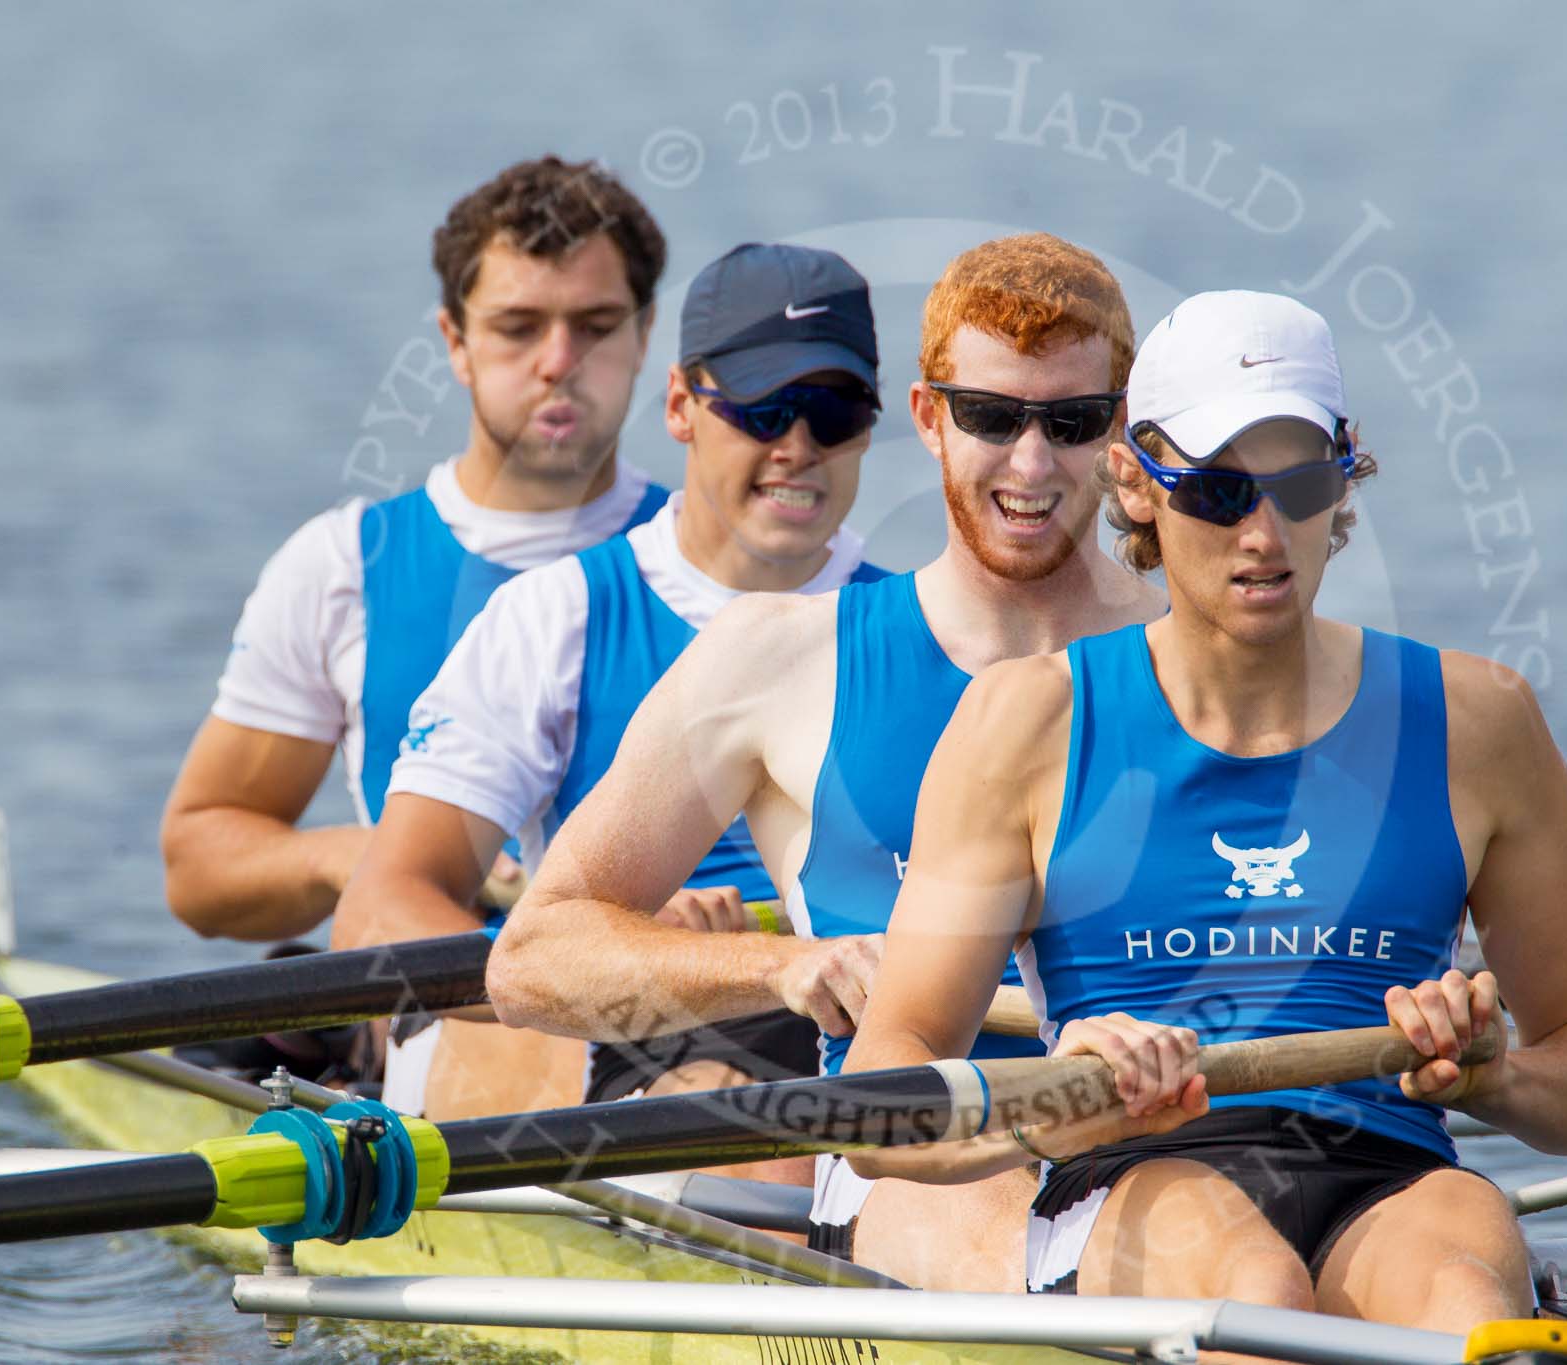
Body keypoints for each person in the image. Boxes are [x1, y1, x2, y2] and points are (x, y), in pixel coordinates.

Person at [841, 291, 1567, 1332]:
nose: (1263, 532)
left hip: (1389, 1174)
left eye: (1300, 483)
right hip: (1133, 1173)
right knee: (1255, 1299)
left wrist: (1494, 1075)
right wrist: (1057, 1099)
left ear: (1347, 474)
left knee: (1463, 1294)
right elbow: (874, 1103)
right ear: (1135, 482)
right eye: (1220, 489)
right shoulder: (1029, 725)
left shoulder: (1475, 723)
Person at [487, 234, 1167, 1291]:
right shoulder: (779, 660)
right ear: (929, 417)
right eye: (991, 417)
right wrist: (782, 967)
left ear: (1116, 431)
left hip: (1177, 1133)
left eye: (1070, 424)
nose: (1031, 465)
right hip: (912, 1161)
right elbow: (532, 957)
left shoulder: (1198, 656)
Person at [332, 243, 888, 1130]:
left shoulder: (916, 626)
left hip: (864, 1026)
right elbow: (385, 904)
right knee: (737, 1105)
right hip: (621, 1040)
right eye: (763, 408)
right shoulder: (557, 619)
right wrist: (635, 951)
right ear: (680, 404)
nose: (797, 447)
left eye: (833, 411)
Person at [161, 157, 669, 945]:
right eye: (518, 326)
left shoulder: (726, 560)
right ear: (455, 341)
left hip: (668, 995)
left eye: (596, 326)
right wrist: (371, 862)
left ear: (644, 335)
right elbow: (196, 865)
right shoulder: (342, 568)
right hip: (437, 1013)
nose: (558, 361)